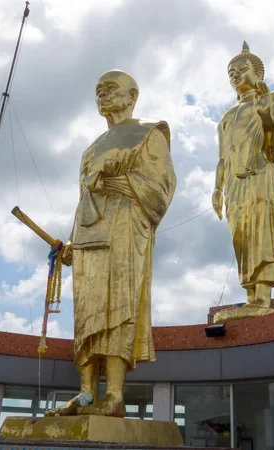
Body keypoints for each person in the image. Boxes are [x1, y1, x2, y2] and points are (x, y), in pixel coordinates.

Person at [46, 70, 176, 417]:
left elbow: (161, 188)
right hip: (90, 233)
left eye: (110, 89)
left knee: (117, 306)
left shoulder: (149, 132)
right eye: (98, 90)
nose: (102, 95)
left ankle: (115, 394)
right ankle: (86, 392)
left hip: (125, 225)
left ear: (132, 96)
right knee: (88, 310)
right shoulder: (90, 149)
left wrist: (118, 183)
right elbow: (83, 199)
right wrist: (72, 242)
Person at [212, 42, 274, 315]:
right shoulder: (226, 116)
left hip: (260, 171)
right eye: (230, 72)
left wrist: (266, 115)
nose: (235, 75)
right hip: (234, 182)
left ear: (258, 73)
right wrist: (216, 188)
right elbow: (223, 156)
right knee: (241, 236)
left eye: (241, 69)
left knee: (262, 229)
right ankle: (249, 294)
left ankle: (263, 296)